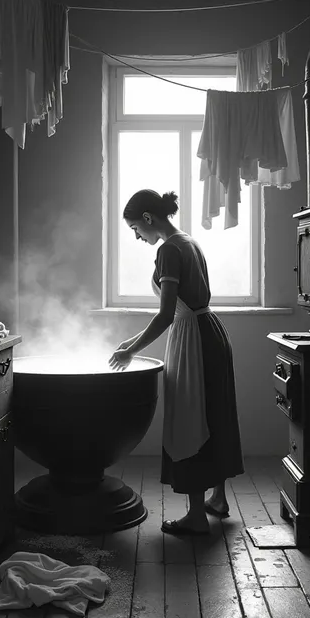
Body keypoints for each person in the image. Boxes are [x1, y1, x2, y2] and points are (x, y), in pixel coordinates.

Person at [109, 189, 244, 535]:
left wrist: (131, 351)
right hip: (211, 331)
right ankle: (218, 497)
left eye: (136, 228)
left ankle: (197, 516)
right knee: (213, 413)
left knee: (189, 418)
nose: (137, 237)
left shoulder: (168, 249)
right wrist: (132, 342)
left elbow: (167, 315)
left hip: (193, 338)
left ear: (149, 219)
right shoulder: (189, 242)